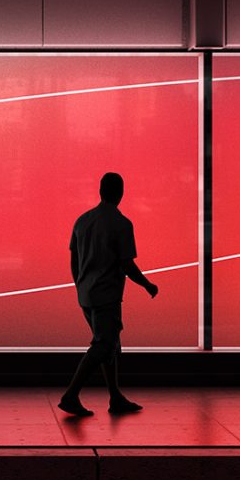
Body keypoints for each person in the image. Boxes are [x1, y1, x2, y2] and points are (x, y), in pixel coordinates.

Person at [59, 172, 158, 417]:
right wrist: (147, 285)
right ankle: (71, 395)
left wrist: (79, 285)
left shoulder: (82, 221)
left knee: (110, 345)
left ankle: (115, 396)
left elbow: (74, 258)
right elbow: (127, 264)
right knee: (103, 345)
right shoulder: (121, 224)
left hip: (86, 295)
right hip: (107, 296)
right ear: (120, 193)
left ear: (100, 191)